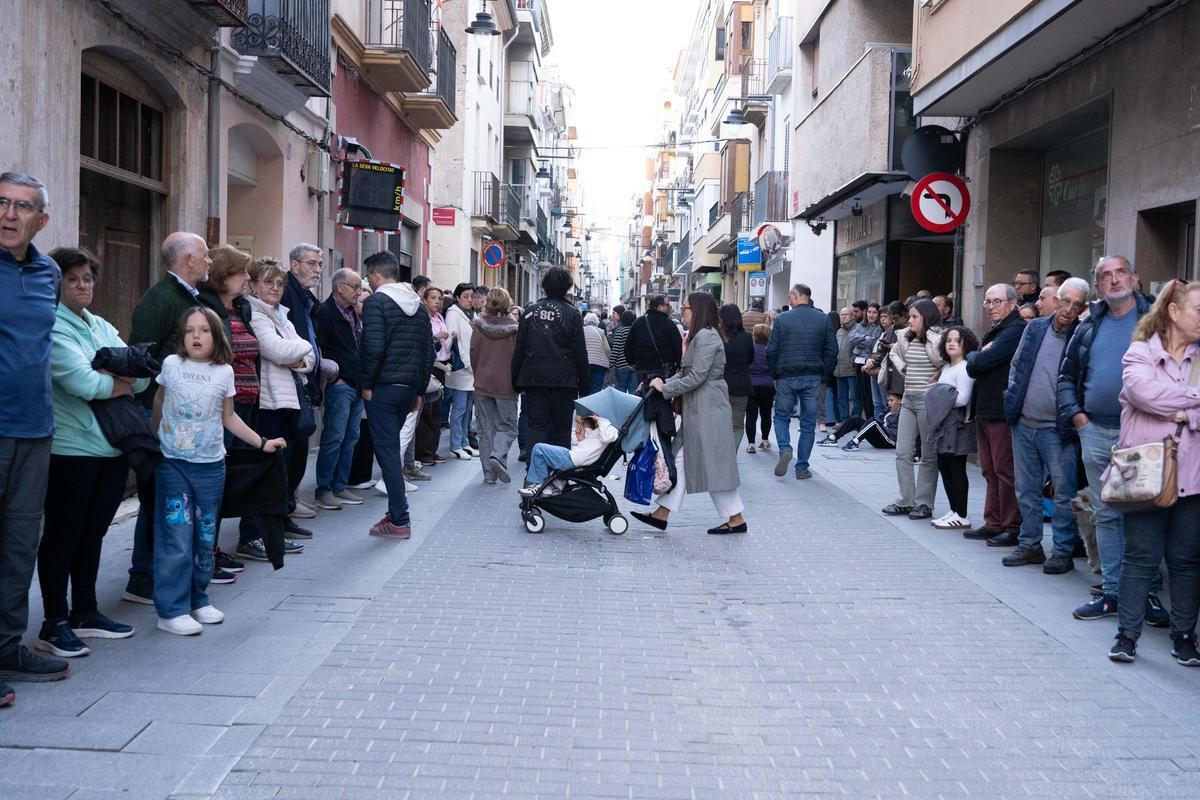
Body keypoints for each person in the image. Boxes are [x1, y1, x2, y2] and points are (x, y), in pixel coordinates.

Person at [35, 248, 147, 657]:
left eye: (88, 279)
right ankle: (54, 621)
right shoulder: (53, 326)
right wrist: (113, 376)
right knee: (63, 536)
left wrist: (115, 374)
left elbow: (139, 374)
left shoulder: (98, 324)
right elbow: (82, 383)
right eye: (73, 279)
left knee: (93, 534)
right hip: (72, 448)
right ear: (56, 284)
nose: (83, 286)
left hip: (111, 447)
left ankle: (85, 610)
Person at [152, 307, 285, 635]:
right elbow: (158, 404)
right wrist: (154, 438)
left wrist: (261, 442)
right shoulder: (171, 366)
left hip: (211, 468)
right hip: (174, 467)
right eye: (189, 330)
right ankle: (170, 610)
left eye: (204, 330)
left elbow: (229, 417)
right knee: (177, 538)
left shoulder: (224, 372)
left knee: (204, 538)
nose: (196, 336)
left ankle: (198, 600)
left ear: (217, 335)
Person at [1059, 256, 1160, 622]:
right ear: (1098, 286)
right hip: (1096, 432)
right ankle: (1114, 593)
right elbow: (1066, 376)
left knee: (1141, 517)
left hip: (1142, 435)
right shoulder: (1088, 326)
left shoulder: (1156, 323)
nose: (1114, 280)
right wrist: (1079, 417)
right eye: (1106, 276)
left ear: (1135, 278)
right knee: (1105, 515)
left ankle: (1143, 594)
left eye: (1120, 273)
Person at [0, 172, 69, 698]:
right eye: (1, 203)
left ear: (40, 220)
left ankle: (6, 648)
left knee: (22, 544)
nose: (9, 214)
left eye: (22, 207)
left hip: (35, 428)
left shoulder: (47, 272)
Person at [1107, 279, 1200, 665]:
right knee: (1140, 558)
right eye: (1199, 309)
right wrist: (1190, 407)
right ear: (1174, 312)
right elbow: (1142, 392)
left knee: (1186, 560)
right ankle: (1127, 637)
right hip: (1144, 474)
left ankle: (1183, 637)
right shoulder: (1140, 352)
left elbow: (1151, 399)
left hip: (1193, 477)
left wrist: (1177, 408)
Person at [123, 231, 211, 606]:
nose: (209, 261)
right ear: (188, 259)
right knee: (156, 495)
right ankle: (141, 576)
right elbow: (141, 355)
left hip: (183, 414)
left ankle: (163, 571)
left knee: (171, 495)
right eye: (205, 255)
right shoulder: (160, 300)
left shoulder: (189, 298)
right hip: (156, 411)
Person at [633, 293, 748, 534]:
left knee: (711, 464)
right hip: (699, 409)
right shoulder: (701, 336)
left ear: (696, 311)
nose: (681, 312)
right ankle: (662, 513)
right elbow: (687, 373)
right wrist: (662, 382)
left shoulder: (706, 337)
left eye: (685, 308)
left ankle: (735, 519)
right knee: (681, 459)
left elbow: (697, 376)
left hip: (708, 410)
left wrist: (664, 388)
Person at [1001, 278, 1090, 571]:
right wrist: (1012, 396)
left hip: (1058, 429)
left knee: (1063, 492)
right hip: (1024, 422)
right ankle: (1030, 545)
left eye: (1077, 304)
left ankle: (1062, 552)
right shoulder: (1036, 327)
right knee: (1026, 488)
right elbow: (1017, 365)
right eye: (1065, 301)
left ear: (1083, 308)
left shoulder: (1083, 334)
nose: (1069, 308)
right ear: (1056, 300)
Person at [237, 258, 316, 562]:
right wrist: (301, 350)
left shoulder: (282, 315)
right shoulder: (254, 314)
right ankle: (252, 535)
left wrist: (297, 353)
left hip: (286, 399)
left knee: (280, 471)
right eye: (268, 282)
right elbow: (278, 351)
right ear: (253, 285)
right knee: (264, 471)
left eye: (279, 283)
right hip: (267, 402)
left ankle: (275, 526)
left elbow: (305, 360)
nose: (274, 288)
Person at [196, 245, 261, 576]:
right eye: (241, 273)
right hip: (218, 409)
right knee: (214, 484)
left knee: (229, 481)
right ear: (223, 277)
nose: (247, 278)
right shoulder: (205, 311)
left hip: (245, 403)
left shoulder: (241, 309)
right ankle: (207, 553)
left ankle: (214, 549)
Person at [359, 252, 433, 539]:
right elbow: (428, 352)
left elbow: (373, 346)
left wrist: (366, 383)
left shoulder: (377, 302)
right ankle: (395, 512)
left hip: (383, 387)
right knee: (391, 451)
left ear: (377, 276)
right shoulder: (420, 305)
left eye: (368, 277)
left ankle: (400, 518)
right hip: (408, 389)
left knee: (387, 453)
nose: (368, 282)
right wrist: (418, 390)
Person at [963, 284, 1026, 546]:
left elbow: (982, 362)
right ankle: (993, 522)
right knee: (988, 470)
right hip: (986, 408)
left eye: (996, 302)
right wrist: (976, 356)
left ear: (1012, 302)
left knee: (1004, 470)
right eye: (987, 302)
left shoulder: (1016, 330)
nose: (990, 307)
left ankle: (1010, 526)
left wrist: (976, 356)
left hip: (1001, 410)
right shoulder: (997, 331)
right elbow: (974, 366)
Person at [512, 267, 589, 468]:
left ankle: (533, 478)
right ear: (567, 287)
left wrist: (516, 380)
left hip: (535, 381)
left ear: (544, 286)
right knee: (562, 432)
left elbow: (520, 348)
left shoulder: (530, 312)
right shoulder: (572, 314)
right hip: (565, 383)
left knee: (536, 428)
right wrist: (585, 389)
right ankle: (557, 479)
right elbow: (580, 353)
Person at [881, 300, 944, 519]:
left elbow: (951, 359)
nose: (910, 320)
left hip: (929, 402)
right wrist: (903, 368)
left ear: (927, 317)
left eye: (915, 317)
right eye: (910, 316)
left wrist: (941, 371)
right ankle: (905, 500)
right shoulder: (905, 336)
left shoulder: (938, 339)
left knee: (928, 455)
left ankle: (924, 503)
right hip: (908, 400)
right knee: (903, 452)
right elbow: (893, 353)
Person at [767, 284, 837, 480]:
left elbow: (771, 350)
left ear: (797, 296)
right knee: (808, 423)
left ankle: (784, 449)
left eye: (790, 296)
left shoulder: (782, 320)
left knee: (781, 417)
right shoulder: (823, 319)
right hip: (813, 377)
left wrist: (774, 374)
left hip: (786, 377)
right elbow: (832, 350)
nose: (789, 300)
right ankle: (802, 468)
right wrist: (825, 375)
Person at [310, 267, 366, 511]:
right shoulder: (325, 312)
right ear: (339, 287)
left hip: (357, 383)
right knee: (334, 436)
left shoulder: (354, 313)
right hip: (340, 384)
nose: (359, 292)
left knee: (351, 437)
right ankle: (324, 489)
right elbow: (320, 349)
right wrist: (335, 378)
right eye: (355, 287)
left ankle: (340, 485)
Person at [281, 243, 324, 520]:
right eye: (312, 263)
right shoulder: (288, 294)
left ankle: (290, 503)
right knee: (289, 450)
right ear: (294, 265)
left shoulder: (306, 298)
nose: (318, 270)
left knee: (298, 450)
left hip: (305, 382)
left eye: (319, 264)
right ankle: (285, 506)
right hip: (290, 384)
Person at [927, 326, 978, 529]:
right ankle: (954, 510)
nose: (951, 343)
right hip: (944, 423)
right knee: (944, 467)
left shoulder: (965, 368)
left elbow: (963, 398)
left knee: (956, 470)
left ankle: (962, 514)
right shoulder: (947, 368)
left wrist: (936, 395)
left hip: (958, 425)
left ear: (966, 343)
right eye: (948, 339)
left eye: (957, 340)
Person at [471, 288, 519, 484]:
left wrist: (478, 374)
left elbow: (473, 352)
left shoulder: (479, 326)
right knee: (507, 427)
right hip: (506, 384)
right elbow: (518, 358)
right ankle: (498, 456)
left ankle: (489, 476)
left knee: (485, 430)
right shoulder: (515, 329)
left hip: (483, 382)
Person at [624, 293, 683, 449]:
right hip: (664, 373)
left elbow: (628, 347)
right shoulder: (669, 325)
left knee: (645, 402)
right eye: (667, 305)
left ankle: (647, 436)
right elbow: (678, 348)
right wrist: (677, 367)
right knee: (663, 403)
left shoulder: (638, 323)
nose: (669, 308)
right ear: (660, 307)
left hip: (643, 371)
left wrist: (633, 363)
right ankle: (663, 434)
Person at [518, 413, 619, 496]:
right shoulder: (603, 428)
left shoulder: (611, 428)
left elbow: (608, 438)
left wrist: (601, 419)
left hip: (573, 459)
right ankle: (547, 487)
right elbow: (590, 443)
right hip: (575, 457)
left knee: (539, 448)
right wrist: (581, 431)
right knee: (545, 450)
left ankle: (538, 485)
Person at [415, 286, 450, 467]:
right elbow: (426, 341)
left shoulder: (440, 317)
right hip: (430, 366)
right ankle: (423, 452)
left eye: (440, 299)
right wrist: (438, 336)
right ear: (425, 300)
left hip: (442, 367)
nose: (437, 302)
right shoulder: (423, 319)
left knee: (437, 411)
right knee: (427, 411)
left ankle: (432, 449)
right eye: (433, 298)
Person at [444, 282, 477, 459]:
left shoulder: (469, 314)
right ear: (457, 297)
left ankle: (464, 442)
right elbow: (453, 343)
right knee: (459, 409)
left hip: (470, 370)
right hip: (461, 370)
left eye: (472, 296)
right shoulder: (453, 314)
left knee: (467, 410)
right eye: (466, 296)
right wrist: (467, 364)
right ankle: (455, 445)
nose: (470, 300)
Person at [719, 304, 755, 452]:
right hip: (741, 387)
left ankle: (720, 455)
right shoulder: (746, 337)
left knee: (719, 424)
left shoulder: (719, 337)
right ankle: (730, 455)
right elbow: (750, 359)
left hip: (720, 387)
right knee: (737, 425)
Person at [863, 302, 905, 425]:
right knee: (877, 402)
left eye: (887, 316)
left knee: (886, 402)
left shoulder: (903, 329)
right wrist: (871, 362)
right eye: (882, 317)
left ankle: (887, 427)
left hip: (892, 372)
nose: (884, 319)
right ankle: (878, 427)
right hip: (880, 370)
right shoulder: (886, 332)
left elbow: (901, 350)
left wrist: (892, 347)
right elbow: (878, 351)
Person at [744, 323, 775, 454]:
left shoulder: (750, 349)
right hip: (767, 385)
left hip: (751, 385)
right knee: (766, 414)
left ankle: (751, 443)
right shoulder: (771, 351)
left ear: (755, 335)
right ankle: (765, 440)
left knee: (751, 415)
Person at [849, 302, 881, 423]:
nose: (871, 315)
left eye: (874, 312)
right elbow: (851, 338)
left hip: (871, 363)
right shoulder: (860, 325)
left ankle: (873, 421)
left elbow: (873, 343)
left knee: (871, 394)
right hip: (859, 362)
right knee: (863, 393)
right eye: (869, 312)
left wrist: (860, 339)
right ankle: (868, 420)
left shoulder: (879, 328)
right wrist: (866, 338)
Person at [582, 312, 611, 394]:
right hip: (599, 363)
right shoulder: (601, 332)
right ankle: (593, 405)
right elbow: (607, 349)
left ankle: (585, 404)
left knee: (585, 386)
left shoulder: (581, 331)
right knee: (596, 388)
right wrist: (609, 361)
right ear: (596, 322)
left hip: (584, 363)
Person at [609, 309, 637, 393]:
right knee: (633, 391)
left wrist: (611, 364)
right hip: (634, 365)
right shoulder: (636, 331)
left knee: (620, 391)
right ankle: (634, 406)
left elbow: (616, 349)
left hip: (621, 365)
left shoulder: (620, 331)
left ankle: (621, 406)